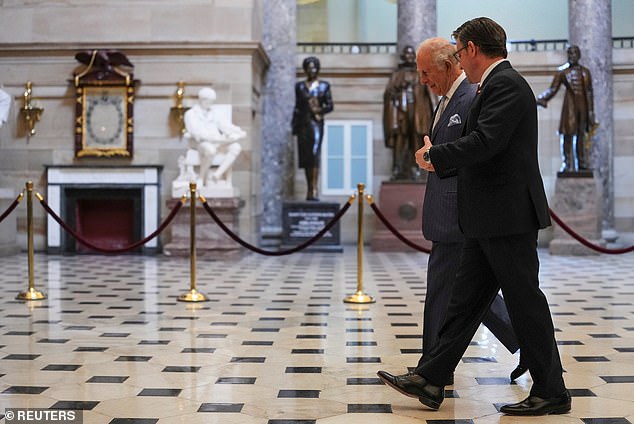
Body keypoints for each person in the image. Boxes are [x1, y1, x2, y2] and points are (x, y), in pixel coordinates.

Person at [378, 17, 570, 416]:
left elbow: (487, 142)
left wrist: (435, 156)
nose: (460, 59)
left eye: (461, 50)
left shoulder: (506, 84)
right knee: (463, 304)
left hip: (508, 217)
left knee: (525, 303)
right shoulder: (494, 85)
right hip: (488, 217)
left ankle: (552, 391)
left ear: (472, 50)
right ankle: (431, 376)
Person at [415, 37, 524, 384]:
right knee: (470, 297)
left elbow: (474, 153)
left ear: (449, 64)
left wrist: (433, 159)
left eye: (426, 72)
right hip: (449, 213)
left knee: (445, 293)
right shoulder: (446, 98)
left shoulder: (469, 96)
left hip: (458, 215)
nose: (422, 80)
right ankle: (529, 345)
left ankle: (429, 371)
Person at [536, 45, 597, 174]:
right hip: (569, 107)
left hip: (583, 107)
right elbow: (553, 89)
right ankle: (567, 163)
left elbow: (590, 93)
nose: (572, 56)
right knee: (567, 135)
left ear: (579, 55)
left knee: (581, 136)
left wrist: (591, 112)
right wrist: (540, 98)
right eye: (570, 53)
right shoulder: (562, 72)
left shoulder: (586, 72)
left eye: (574, 53)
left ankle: (581, 164)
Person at [383, 45, 433, 181]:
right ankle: (397, 168)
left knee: (416, 139)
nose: (409, 56)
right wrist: (397, 91)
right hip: (400, 111)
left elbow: (429, 94)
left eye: (412, 54)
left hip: (417, 110)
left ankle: (416, 169)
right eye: (407, 54)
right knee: (400, 139)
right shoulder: (397, 74)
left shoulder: (420, 72)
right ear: (403, 56)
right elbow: (388, 93)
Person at [183, 87, 245, 186]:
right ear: (202, 100)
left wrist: (238, 131)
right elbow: (196, 132)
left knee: (236, 146)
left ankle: (217, 174)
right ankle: (201, 178)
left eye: (212, 102)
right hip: (200, 142)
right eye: (209, 101)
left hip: (217, 141)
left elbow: (225, 125)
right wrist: (215, 138)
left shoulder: (214, 112)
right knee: (210, 149)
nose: (211, 104)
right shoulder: (191, 114)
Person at [292, 56, 334, 201]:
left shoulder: (324, 86)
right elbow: (297, 107)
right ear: (305, 70)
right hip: (303, 124)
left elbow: (330, 105)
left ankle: (314, 188)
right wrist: (294, 126)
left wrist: (319, 111)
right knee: (305, 157)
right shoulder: (299, 86)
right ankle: (309, 188)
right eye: (309, 68)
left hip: (316, 123)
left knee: (314, 153)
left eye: (314, 67)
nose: (312, 70)